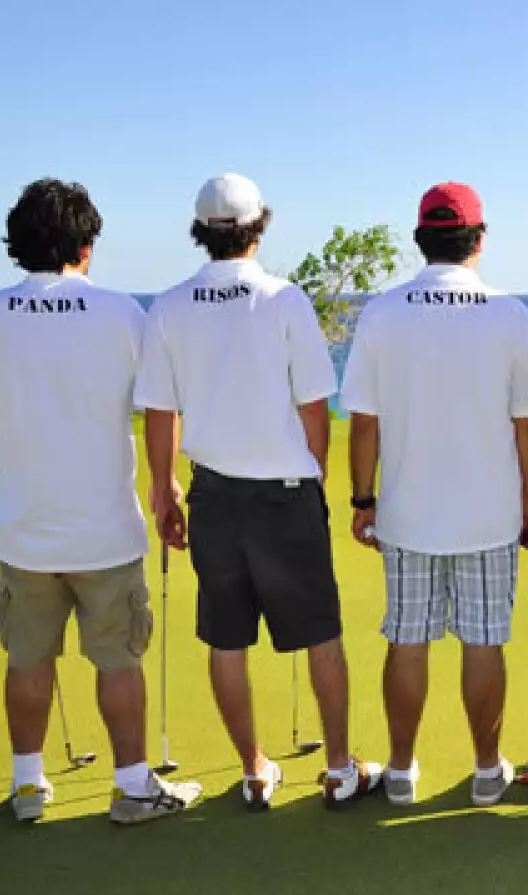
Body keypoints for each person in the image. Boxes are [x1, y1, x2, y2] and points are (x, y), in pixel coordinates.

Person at [0, 178, 203, 824]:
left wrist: (12, 461)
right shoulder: (122, 314)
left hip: (24, 528)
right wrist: (166, 484)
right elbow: (159, 410)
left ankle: (28, 786)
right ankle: (133, 785)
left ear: (18, 243)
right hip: (106, 530)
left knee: (27, 656)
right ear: (86, 246)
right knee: (118, 657)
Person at [136, 173, 381, 810]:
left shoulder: (167, 306)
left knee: (227, 638)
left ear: (201, 231)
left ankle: (253, 769)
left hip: (213, 494)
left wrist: (163, 493)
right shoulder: (284, 299)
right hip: (283, 492)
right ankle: (336, 768)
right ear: (259, 226)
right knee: (321, 633)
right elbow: (313, 407)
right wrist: (316, 480)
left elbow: (161, 414)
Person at [342, 182, 528, 808]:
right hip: (489, 515)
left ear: (420, 238)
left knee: (408, 640)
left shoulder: (383, 311)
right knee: (484, 641)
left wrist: (362, 500)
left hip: (407, 514)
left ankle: (400, 772)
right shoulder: (509, 314)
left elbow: (364, 421)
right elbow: (526, 421)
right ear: (479, 239)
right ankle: (487, 772)